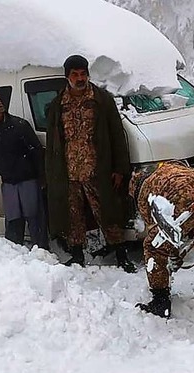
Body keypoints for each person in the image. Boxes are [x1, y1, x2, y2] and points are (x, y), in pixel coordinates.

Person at [45, 54, 135, 273]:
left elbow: (117, 136)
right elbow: (52, 143)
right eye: (75, 74)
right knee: (73, 216)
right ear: (67, 77)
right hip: (69, 173)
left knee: (108, 213)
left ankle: (121, 253)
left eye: (83, 73)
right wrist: (51, 174)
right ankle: (77, 255)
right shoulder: (58, 105)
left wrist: (120, 169)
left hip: (98, 170)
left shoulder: (102, 100)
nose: (79, 78)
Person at [129, 162, 194, 318]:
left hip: (186, 198)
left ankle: (160, 302)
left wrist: (171, 254)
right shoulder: (167, 168)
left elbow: (158, 233)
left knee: (153, 247)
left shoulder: (144, 190)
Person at [0, 90, 49, 249]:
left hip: (28, 180)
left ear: (2, 111)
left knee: (35, 218)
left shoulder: (20, 126)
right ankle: (14, 253)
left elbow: (36, 151)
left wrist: (42, 177)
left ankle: (42, 251)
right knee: (13, 220)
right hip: (8, 183)